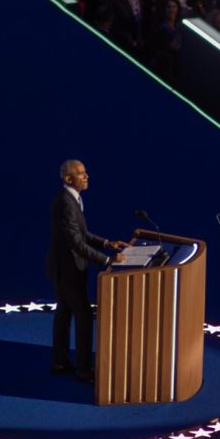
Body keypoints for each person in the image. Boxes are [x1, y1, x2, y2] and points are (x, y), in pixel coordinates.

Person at [46, 160, 127, 383]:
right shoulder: (66, 203)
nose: (86, 176)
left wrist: (108, 243)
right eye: (80, 174)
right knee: (83, 316)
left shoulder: (72, 199)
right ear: (67, 179)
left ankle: (60, 361)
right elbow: (76, 244)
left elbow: (83, 234)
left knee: (64, 313)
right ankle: (82, 369)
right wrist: (108, 259)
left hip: (65, 268)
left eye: (85, 173)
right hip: (69, 269)